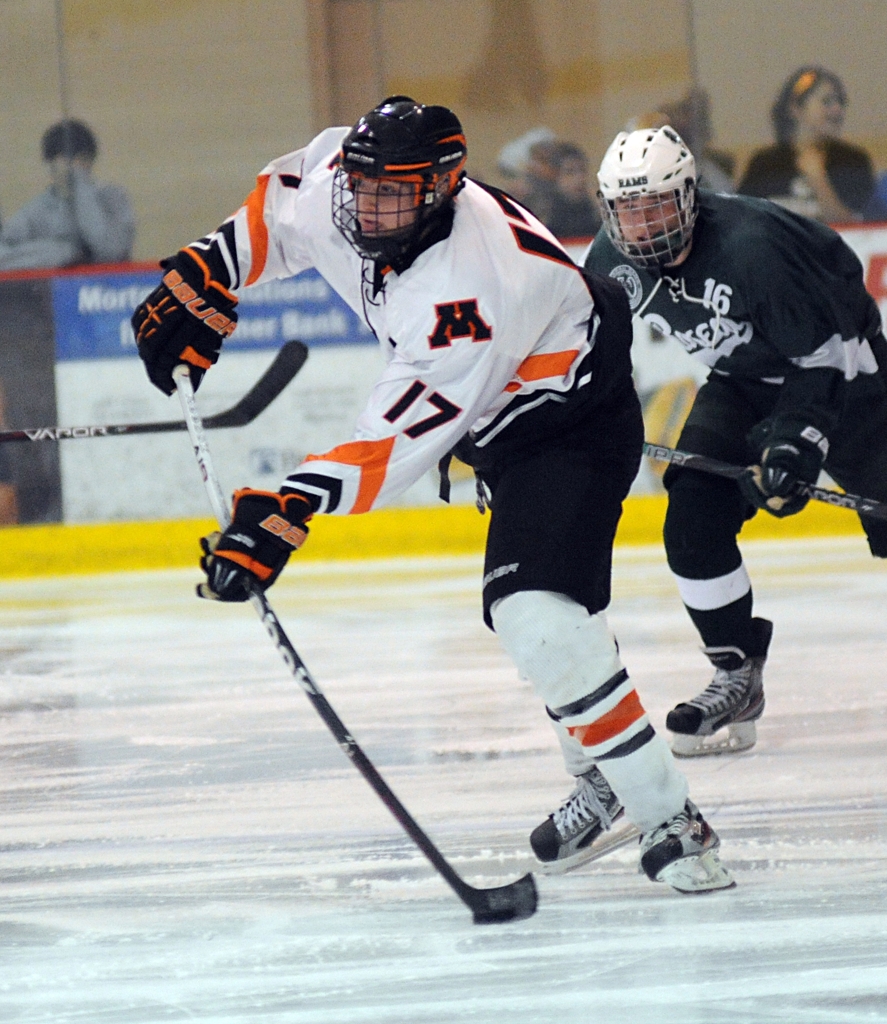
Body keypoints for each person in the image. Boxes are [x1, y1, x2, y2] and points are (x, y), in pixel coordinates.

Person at [131, 96, 734, 894]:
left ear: (444, 186)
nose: (366, 206)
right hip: (495, 416)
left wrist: (290, 509)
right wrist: (206, 267)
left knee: (537, 619)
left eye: (392, 192)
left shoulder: (471, 292)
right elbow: (280, 206)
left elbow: (398, 435)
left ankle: (669, 818)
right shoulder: (353, 185)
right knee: (556, 623)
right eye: (360, 184)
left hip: (566, 425)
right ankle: (603, 778)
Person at [584, 125, 887, 756]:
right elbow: (585, 356)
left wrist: (795, 445)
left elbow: (823, 357)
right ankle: (735, 674)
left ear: (690, 195)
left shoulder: (752, 250)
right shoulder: (611, 261)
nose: (641, 225)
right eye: (626, 209)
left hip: (847, 373)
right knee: (691, 515)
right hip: (743, 380)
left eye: (656, 205)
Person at [737, 67, 875, 223]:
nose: (837, 109)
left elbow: (857, 229)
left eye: (840, 102)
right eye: (826, 102)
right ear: (795, 108)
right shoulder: (764, 164)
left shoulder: (853, 162)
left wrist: (817, 178)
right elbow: (742, 220)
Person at [0, 119, 135, 271]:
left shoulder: (112, 197)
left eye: (81, 161)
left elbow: (111, 252)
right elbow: (4, 253)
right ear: (50, 164)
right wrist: (64, 253)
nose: (72, 168)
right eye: (63, 161)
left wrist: (82, 188)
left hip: (107, 290)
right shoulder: (38, 209)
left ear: (90, 161)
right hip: (51, 290)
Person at [545, 142, 601, 241]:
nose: (580, 178)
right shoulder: (546, 212)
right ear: (555, 176)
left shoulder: (593, 207)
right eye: (570, 172)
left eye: (582, 170)